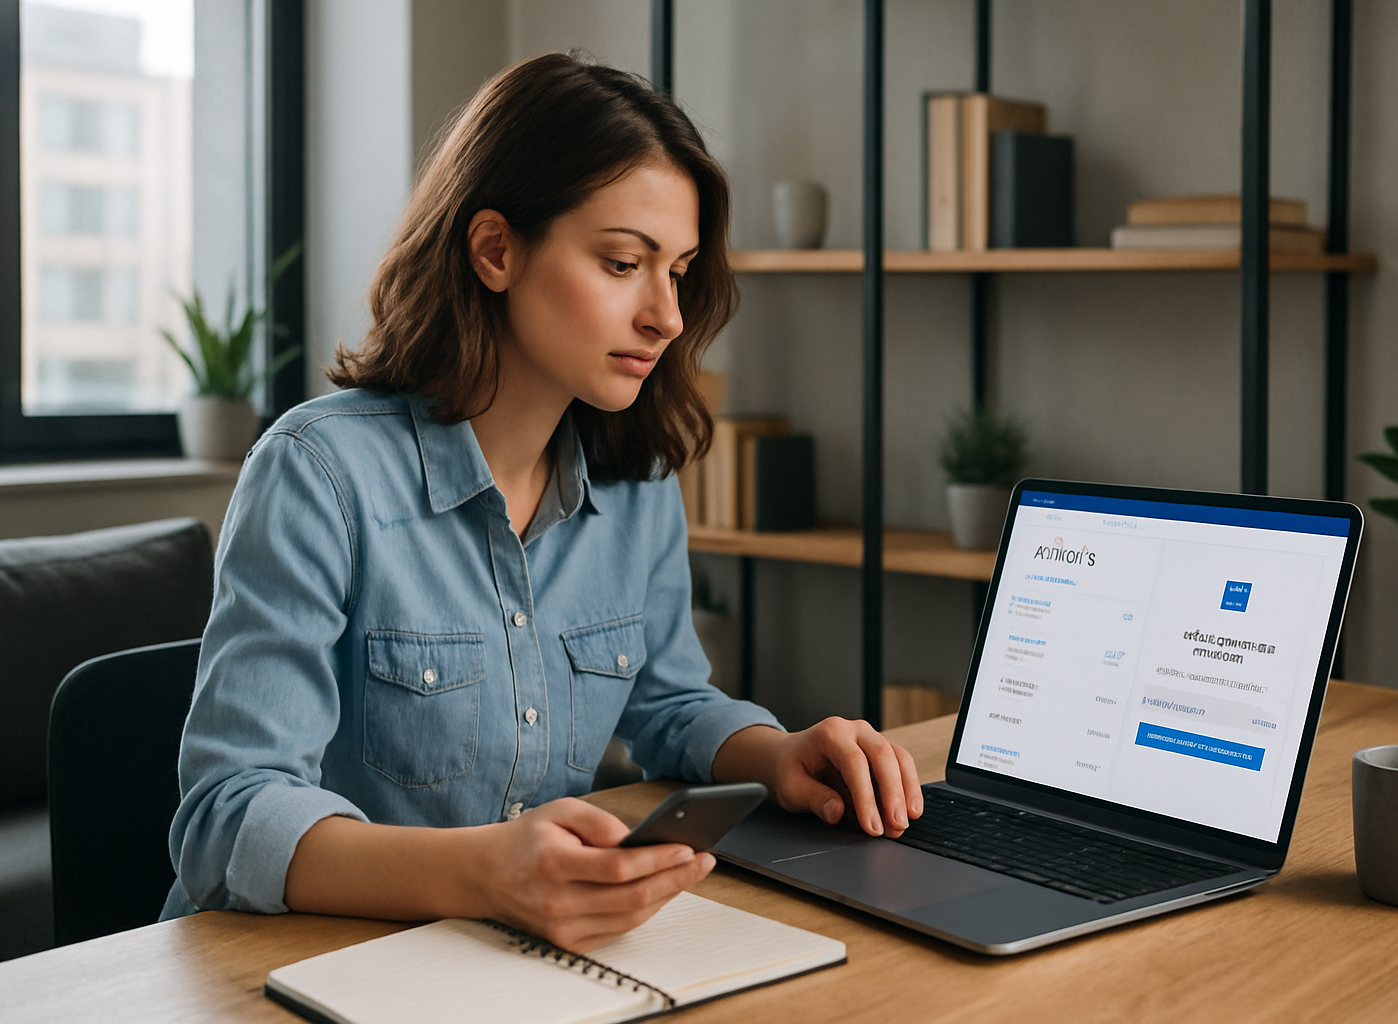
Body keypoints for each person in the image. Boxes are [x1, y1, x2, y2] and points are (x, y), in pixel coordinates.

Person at [163, 53, 921, 952]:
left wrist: (780, 753)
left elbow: (670, 702)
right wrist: (487, 874)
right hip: (296, 967)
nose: (666, 316)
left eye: (676, 271)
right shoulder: (318, 473)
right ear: (495, 250)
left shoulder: (636, 482)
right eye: (622, 263)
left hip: (516, 960)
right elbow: (228, 816)